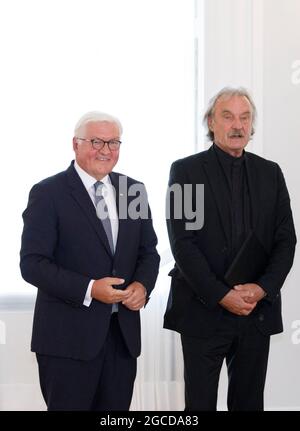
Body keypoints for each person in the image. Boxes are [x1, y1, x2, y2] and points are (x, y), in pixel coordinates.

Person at [164, 87, 296, 411]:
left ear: (251, 126)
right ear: (211, 122)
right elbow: (183, 243)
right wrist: (223, 295)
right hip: (202, 309)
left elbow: (286, 241)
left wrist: (262, 288)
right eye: (227, 116)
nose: (237, 125)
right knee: (199, 406)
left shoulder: (271, 173)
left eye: (245, 117)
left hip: (255, 311)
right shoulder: (186, 172)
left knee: (250, 404)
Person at [20, 111, 160, 411]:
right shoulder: (48, 193)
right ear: (76, 144)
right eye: (96, 141)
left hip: (121, 338)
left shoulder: (132, 190)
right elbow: (32, 263)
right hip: (66, 341)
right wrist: (90, 288)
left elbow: (148, 251)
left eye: (113, 143)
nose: (106, 150)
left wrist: (142, 285)